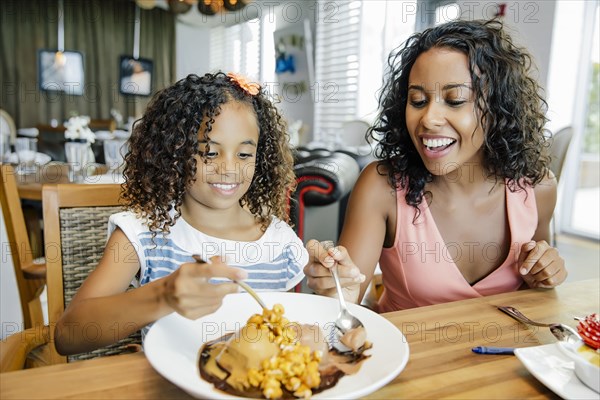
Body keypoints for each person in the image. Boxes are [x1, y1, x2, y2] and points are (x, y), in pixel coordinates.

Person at [304, 19, 567, 312]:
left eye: (455, 100)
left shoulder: (538, 188)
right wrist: (337, 290)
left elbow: (537, 290)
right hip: (409, 354)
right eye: (417, 100)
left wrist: (546, 273)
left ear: (498, 108)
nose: (428, 119)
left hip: (500, 356)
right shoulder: (382, 188)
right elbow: (340, 309)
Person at [55, 72, 308, 355]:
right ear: (174, 153)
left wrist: (336, 294)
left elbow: (285, 337)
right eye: (209, 153)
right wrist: (162, 296)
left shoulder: (279, 243)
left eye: (244, 155)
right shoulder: (144, 232)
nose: (229, 168)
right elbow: (68, 335)